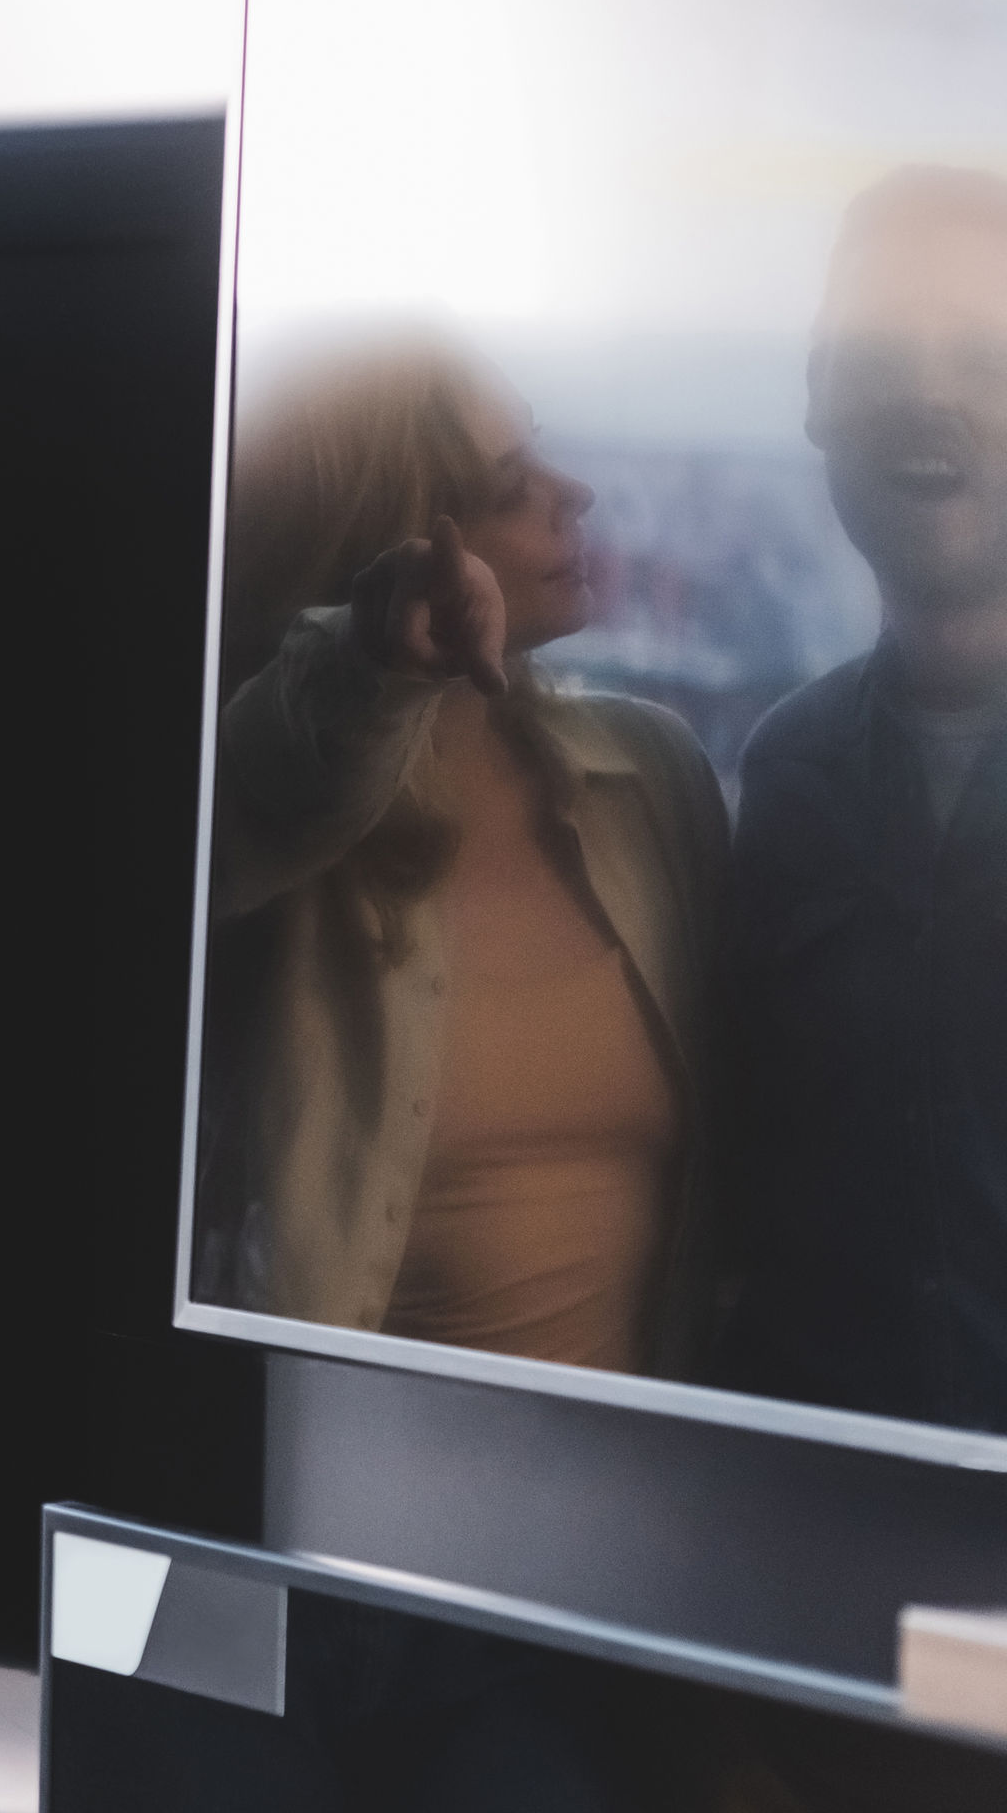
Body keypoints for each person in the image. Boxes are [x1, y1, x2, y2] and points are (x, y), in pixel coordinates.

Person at [192, 334, 725, 1375]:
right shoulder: (274, 827)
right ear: (389, 543)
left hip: (650, 1489)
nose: (573, 496)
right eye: (508, 485)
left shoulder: (651, 777)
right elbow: (275, 771)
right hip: (367, 1488)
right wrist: (370, 660)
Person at [725, 165, 1007, 1429]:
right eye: (885, 351)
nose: (928, 395)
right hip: (811, 1554)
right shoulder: (787, 778)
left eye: (984, 353)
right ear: (818, 398)